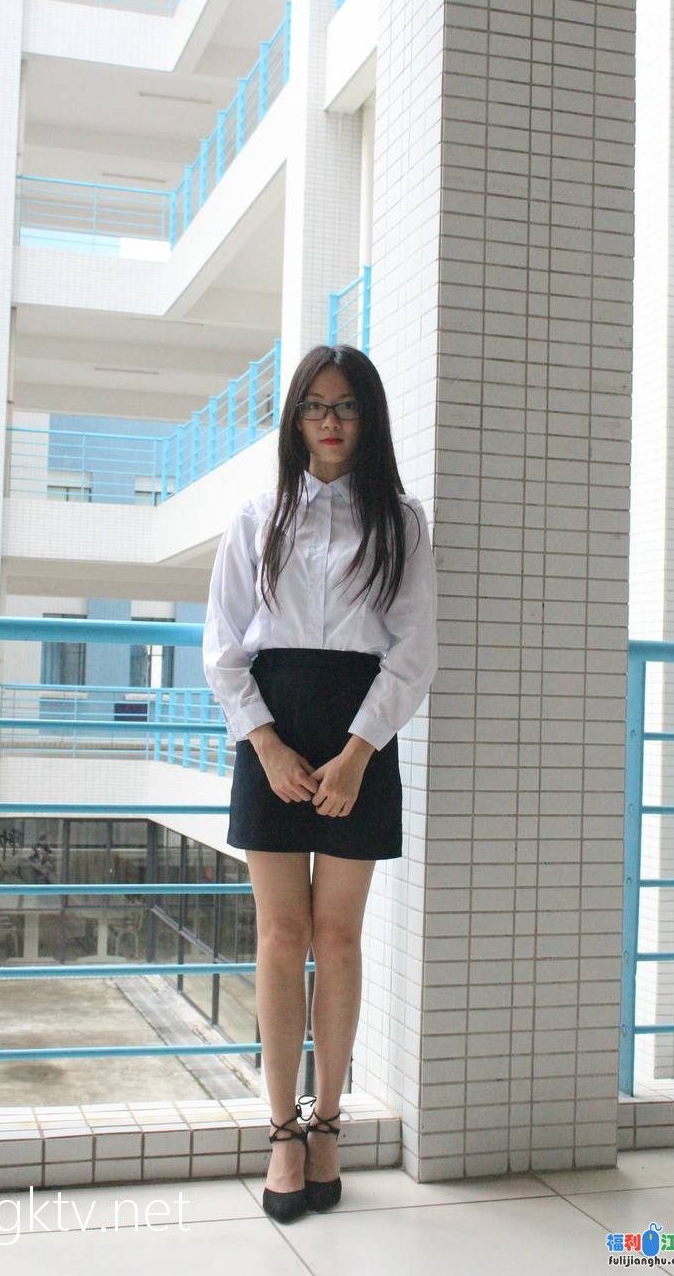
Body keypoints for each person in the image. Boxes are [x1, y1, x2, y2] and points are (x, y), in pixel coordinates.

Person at [202, 343, 437, 1223]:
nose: (329, 422)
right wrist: (263, 743)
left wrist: (359, 751)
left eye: (344, 406)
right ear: (294, 418)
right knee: (279, 935)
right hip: (271, 724)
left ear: (367, 418)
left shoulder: (401, 523)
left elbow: (413, 651)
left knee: (336, 939)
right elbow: (222, 646)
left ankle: (327, 1121)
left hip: (359, 734)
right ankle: (281, 1133)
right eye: (313, 406)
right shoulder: (256, 515)